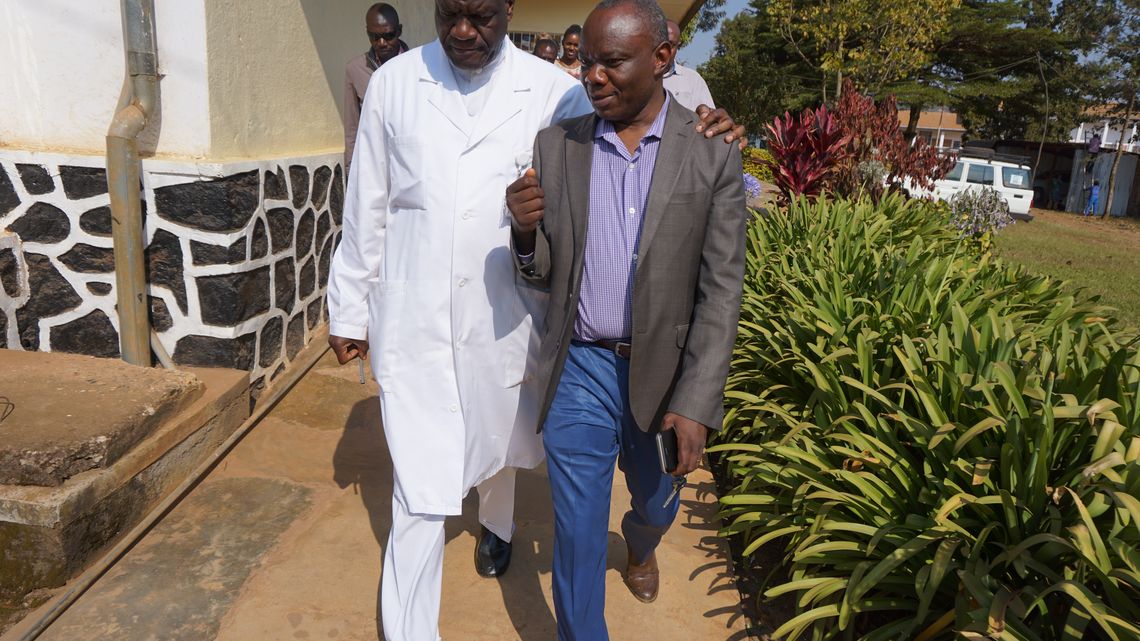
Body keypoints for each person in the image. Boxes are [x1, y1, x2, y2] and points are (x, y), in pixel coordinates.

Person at [325, 0, 745, 638]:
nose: (464, 32)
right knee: (433, 487)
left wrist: (711, 125)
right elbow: (367, 201)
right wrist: (350, 306)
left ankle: (524, 530)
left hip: (532, 327)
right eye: (450, 14)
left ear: (509, 11)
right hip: (457, 327)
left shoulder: (557, 94)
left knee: (512, 453)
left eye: (483, 17)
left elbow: (717, 281)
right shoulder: (396, 84)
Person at [504, 1, 748, 638]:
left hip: (662, 374)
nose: (594, 76)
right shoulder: (558, 147)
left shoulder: (711, 150)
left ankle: (643, 539)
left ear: (663, 59)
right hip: (580, 365)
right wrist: (526, 233)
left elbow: (722, 289)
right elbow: (544, 269)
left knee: (656, 499)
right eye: (588, 61)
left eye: (612, 61)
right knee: (578, 533)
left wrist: (697, 401)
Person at [343, 3, 409, 171]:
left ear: (399, 31)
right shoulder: (355, 69)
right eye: (374, 37)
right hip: (374, 164)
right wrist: (351, 168)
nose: (381, 43)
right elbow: (352, 127)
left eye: (389, 35)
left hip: (408, 162)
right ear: (367, 33)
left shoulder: (417, 66)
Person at [662, 19, 715, 112]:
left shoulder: (693, 79)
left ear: (678, 45)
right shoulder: (638, 78)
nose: (664, 51)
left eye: (671, 45)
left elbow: (709, 118)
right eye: (661, 44)